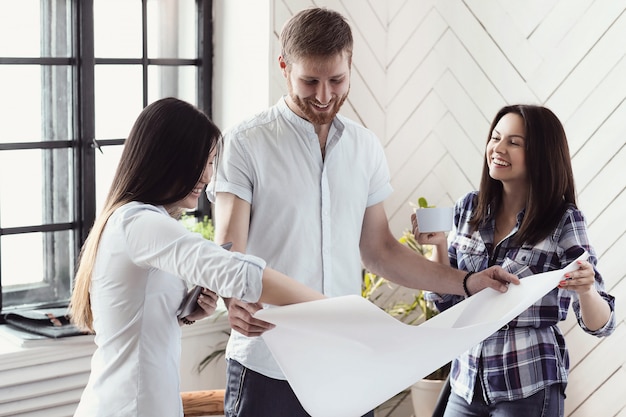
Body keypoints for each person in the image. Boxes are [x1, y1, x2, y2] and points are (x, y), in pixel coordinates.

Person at [207, 8, 519, 417]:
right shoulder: (246, 143)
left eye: (336, 80)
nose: (323, 96)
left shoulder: (365, 147)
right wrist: (232, 300)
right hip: (268, 362)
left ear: (351, 66)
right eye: (309, 81)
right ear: (283, 67)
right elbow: (228, 249)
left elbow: (380, 251)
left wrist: (467, 281)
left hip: (346, 366)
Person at [69, 97, 325, 417]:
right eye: (202, 162)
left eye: (211, 162)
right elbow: (238, 272)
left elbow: (138, 315)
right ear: (168, 159)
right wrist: (331, 311)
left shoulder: (133, 221)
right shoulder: (139, 223)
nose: (208, 176)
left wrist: (186, 313)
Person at [412, 104, 616, 417]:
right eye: (495, 137)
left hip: (527, 385)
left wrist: (587, 291)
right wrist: (438, 246)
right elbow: (445, 302)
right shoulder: (468, 208)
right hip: (466, 383)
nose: (498, 148)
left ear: (541, 154)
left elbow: (602, 325)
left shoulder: (562, 220)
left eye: (514, 142)